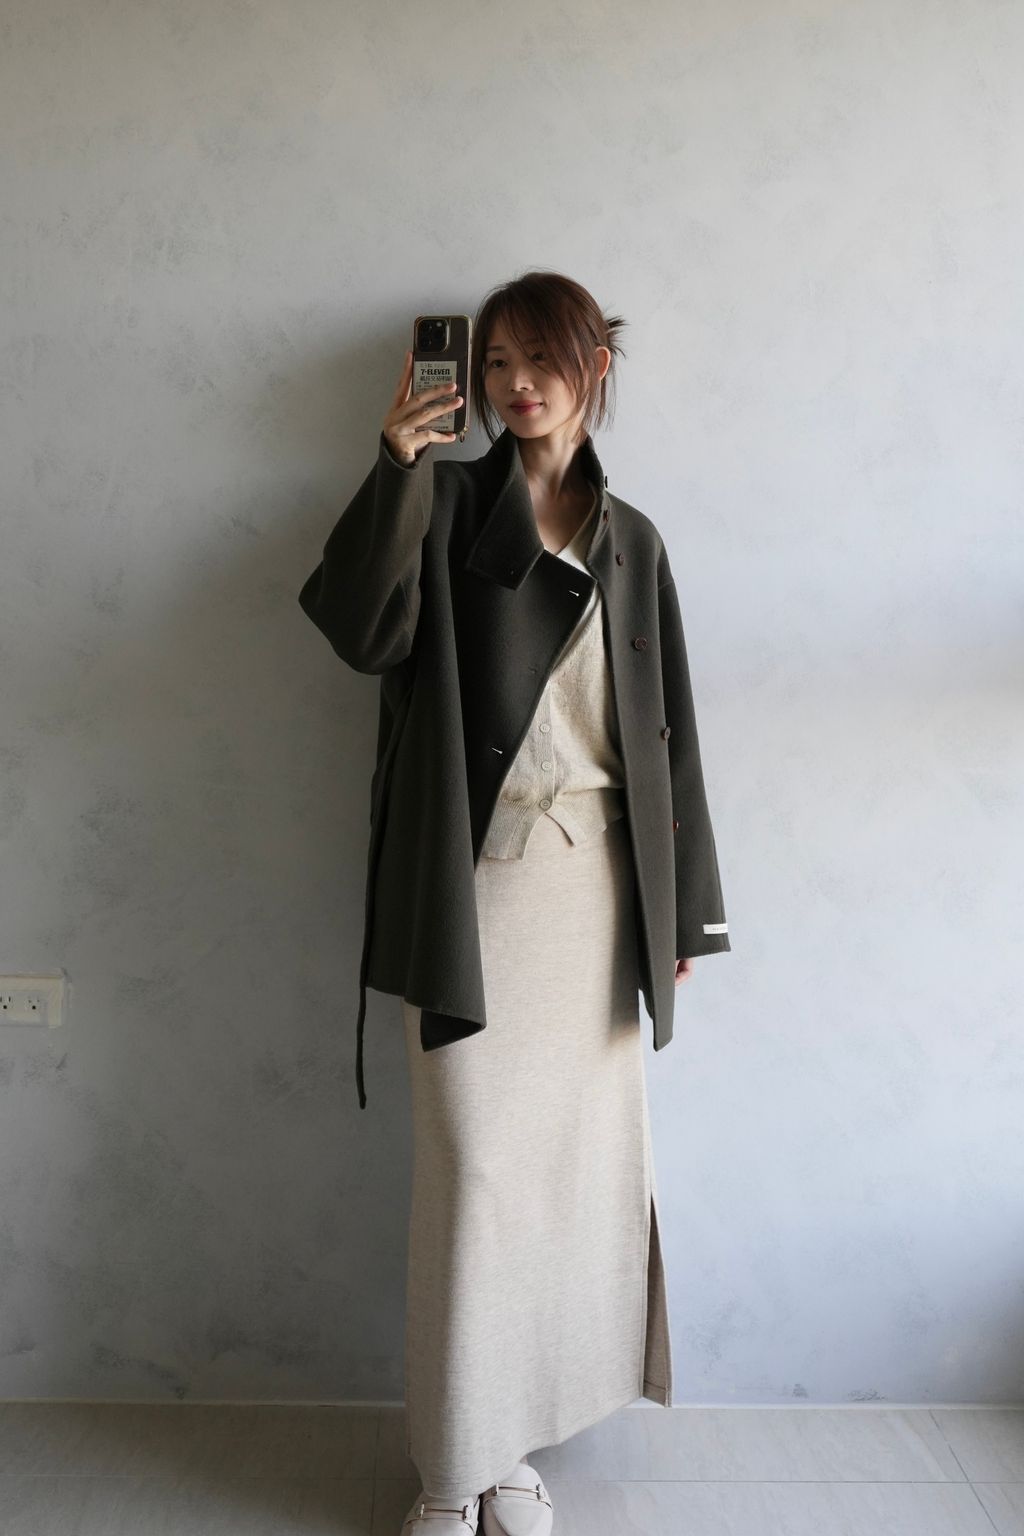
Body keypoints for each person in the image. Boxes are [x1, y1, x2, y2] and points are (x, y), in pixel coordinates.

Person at [298, 270, 731, 1536]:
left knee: (569, 1182)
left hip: (600, 896)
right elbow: (358, 631)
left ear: (595, 367)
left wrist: (687, 914)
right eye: (496, 364)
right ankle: (452, 1465)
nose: (516, 384)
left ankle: (512, 1451)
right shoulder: (441, 507)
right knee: (478, 1175)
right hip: (472, 890)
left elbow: (669, 736)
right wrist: (395, 464)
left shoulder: (631, 540)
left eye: (541, 359)